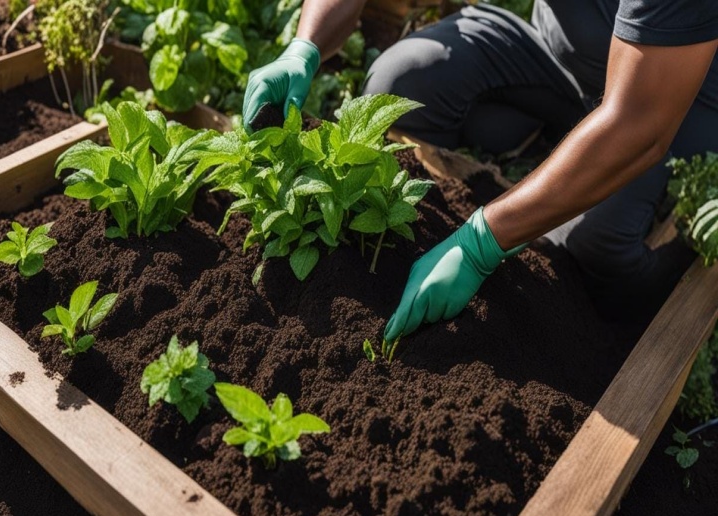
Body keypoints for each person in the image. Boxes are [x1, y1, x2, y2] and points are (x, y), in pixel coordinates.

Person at [242, 0, 718, 342]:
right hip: (559, 56)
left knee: (590, 252)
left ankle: (674, 262)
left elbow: (641, 125)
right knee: (400, 86)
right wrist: (304, 48)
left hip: (676, 99)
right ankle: (572, 147)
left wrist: (481, 241)